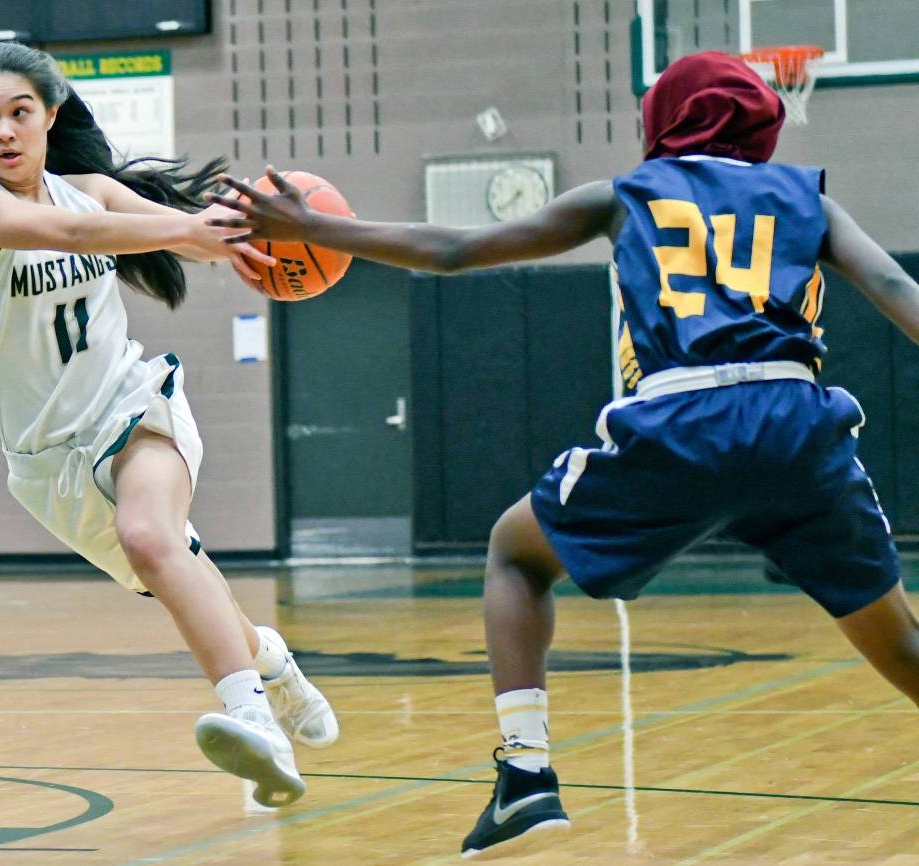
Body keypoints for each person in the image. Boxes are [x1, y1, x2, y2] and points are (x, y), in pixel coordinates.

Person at [207, 50, 919, 858]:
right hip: (796, 419)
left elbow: (454, 250)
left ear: (664, 123)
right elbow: (897, 290)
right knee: (897, 639)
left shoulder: (626, 195)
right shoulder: (809, 200)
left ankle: (527, 776)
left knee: (516, 553)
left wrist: (318, 229)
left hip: (683, 414)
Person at [0, 41, 339, 810]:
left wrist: (235, 233)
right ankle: (275, 666)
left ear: (50, 116)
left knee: (152, 537)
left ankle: (257, 726)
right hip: (45, 465)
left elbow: (172, 227)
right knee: (181, 574)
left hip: (131, 407)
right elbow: (71, 238)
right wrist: (188, 235)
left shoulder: (89, 188)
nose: (5, 131)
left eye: (20, 112)